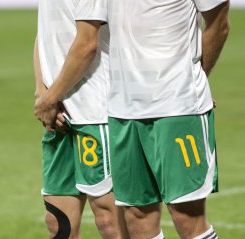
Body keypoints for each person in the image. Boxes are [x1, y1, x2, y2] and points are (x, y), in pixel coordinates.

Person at [35, 0, 230, 238]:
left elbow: (219, 24)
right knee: (134, 220)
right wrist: (42, 90)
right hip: (114, 112)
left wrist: (197, 79)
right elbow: (50, 31)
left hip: (156, 107)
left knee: (182, 219)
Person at [34, 1, 128, 238]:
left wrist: (49, 99)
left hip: (95, 112)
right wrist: (41, 90)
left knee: (110, 222)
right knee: (58, 224)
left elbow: (88, 44)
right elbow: (43, 34)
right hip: (58, 115)